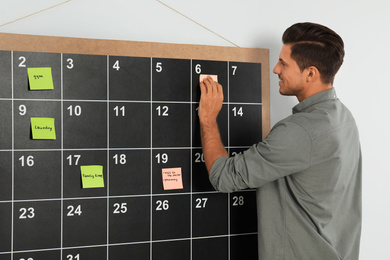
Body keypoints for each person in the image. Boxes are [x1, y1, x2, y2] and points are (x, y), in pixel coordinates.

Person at [199, 22, 362, 260]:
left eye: (283, 63)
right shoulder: (344, 117)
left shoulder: (299, 131)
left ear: (310, 73)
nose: (275, 69)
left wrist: (207, 119)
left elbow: (222, 177)